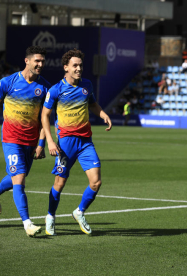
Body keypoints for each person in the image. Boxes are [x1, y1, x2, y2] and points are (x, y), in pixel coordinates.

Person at [41, 49, 112, 235]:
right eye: (75, 65)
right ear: (66, 67)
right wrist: (49, 141)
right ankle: (50, 216)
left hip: (85, 142)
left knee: (96, 182)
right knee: (60, 183)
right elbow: (45, 115)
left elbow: (93, 104)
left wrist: (103, 114)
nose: (79, 69)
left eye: (80, 65)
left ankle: (79, 212)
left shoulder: (87, 85)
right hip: (65, 144)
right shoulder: (56, 90)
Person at [0, 46, 50, 237]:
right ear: (26, 61)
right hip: (11, 140)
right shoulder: (7, 82)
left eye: (43, 61)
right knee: (19, 179)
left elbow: (45, 119)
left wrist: (41, 143)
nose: (40, 64)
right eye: (37, 60)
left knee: (15, 179)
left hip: (30, 142)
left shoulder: (45, 87)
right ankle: (27, 223)